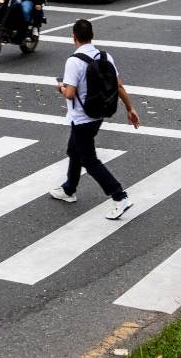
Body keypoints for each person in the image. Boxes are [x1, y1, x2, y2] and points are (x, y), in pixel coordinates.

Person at [51, 19, 141, 220]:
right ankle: (68, 189)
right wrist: (130, 108)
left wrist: (60, 87)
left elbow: (70, 94)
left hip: (82, 118)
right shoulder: (105, 56)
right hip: (99, 113)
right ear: (92, 36)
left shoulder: (73, 61)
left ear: (74, 37)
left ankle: (119, 196)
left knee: (89, 160)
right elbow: (118, 86)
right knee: (74, 150)